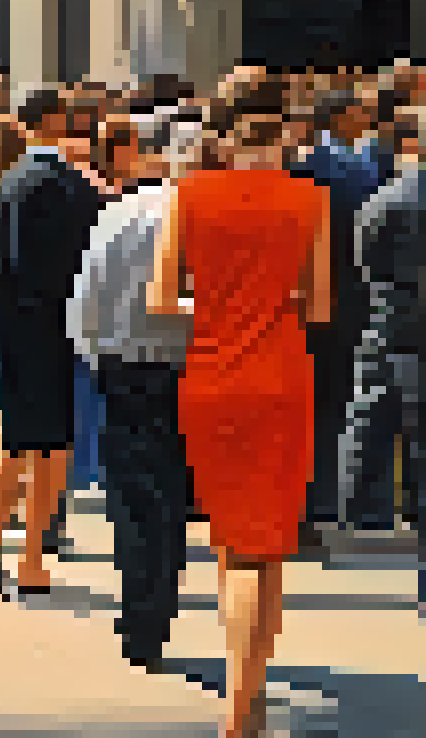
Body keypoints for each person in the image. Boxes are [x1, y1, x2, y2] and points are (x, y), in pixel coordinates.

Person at [150, 104, 332, 738]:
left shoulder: (189, 194)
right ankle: (244, 701)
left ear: (227, 146)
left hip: (212, 372)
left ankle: (243, 696)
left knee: (230, 542)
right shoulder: (309, 199)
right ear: (280, 144)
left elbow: (161, 297)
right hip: (280, 373)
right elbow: (320, 304)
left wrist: (222, 301)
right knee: (269, 545)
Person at [0, 92, 106, 599]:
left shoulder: (9, 183)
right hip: (50, 329)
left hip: (11, 326)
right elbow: (88, 265)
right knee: (44, 449)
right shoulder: (67, 185)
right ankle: (26, 559)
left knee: (22, 443)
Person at [68, 115, 195, 671]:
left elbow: (87, 297)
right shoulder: (196, 215)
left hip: (122, 364)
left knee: (134, 501)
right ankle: (153, 616)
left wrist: (96, 353)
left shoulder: (120, 211)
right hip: (179, 365)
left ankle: (138, 621)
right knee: (169, 501)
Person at [292, 92, 389, 544]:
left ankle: (321, 504)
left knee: (331, 403)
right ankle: (317, 505)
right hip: (333, 300)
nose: (368, 119)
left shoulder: (354, 162)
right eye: (361, 112)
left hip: (336, 299)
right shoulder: (327, 167)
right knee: (328, 403)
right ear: (340, 117)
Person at [342, 111, 423, 604]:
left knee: (373, 416)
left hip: (395, 324)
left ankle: (362, 510)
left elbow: (365, 262)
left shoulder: (385, 199)